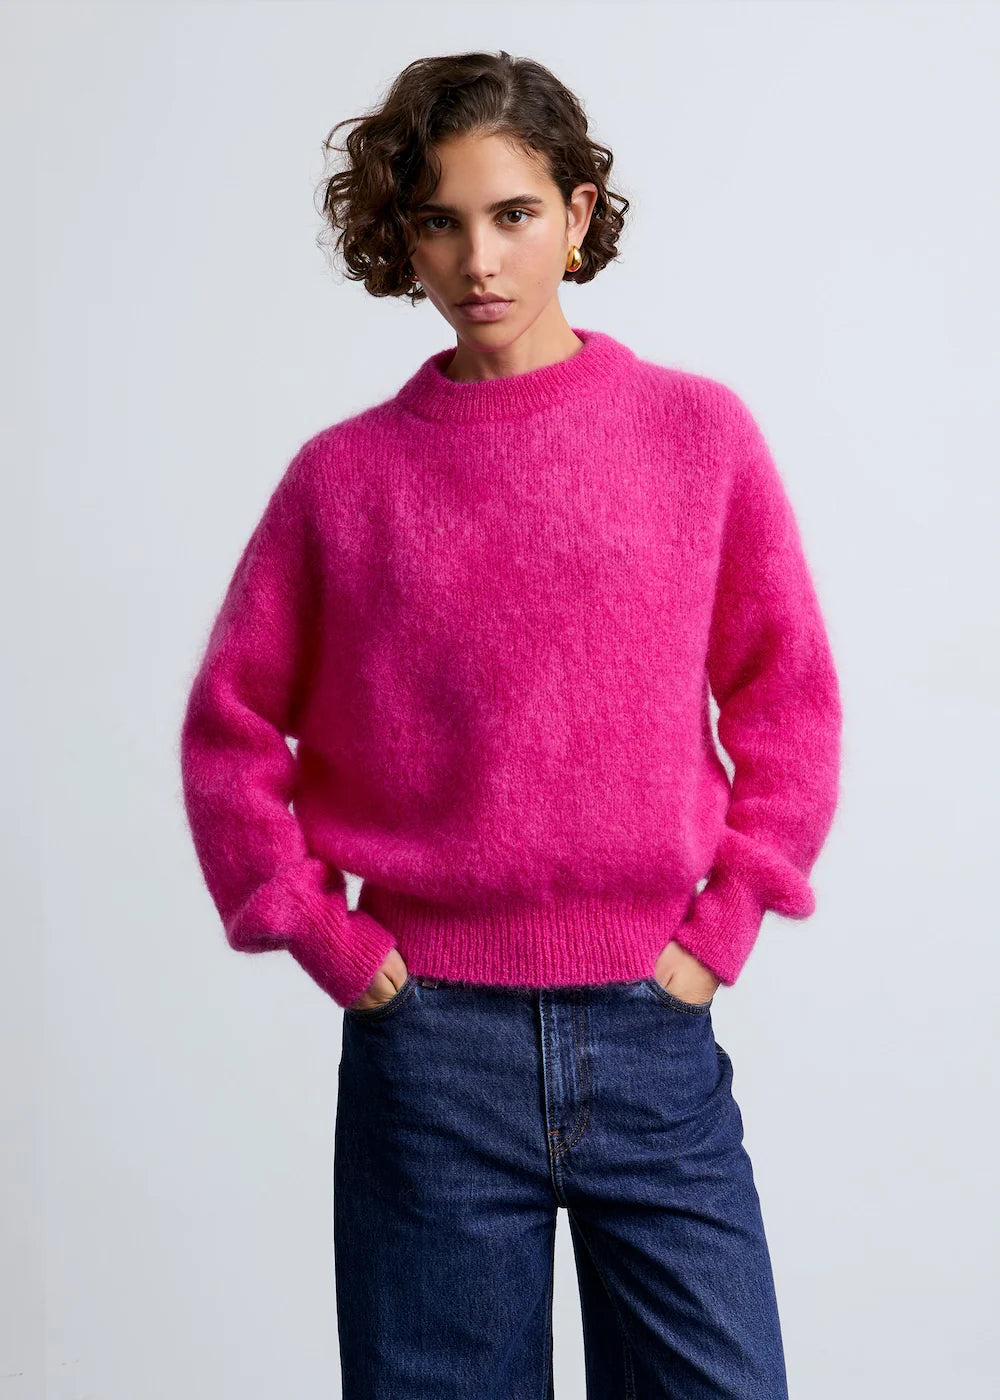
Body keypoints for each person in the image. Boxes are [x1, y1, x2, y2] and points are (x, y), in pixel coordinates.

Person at [179, 49, 841, 1400]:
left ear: (579, 214)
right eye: (440, 221)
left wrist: (725, 923)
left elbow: (788, 693)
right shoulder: (345, 480)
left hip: (651, 1031)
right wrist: (328, 939)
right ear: (402, 236)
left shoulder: (695, 436)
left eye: (514, 213)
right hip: (431, 1051)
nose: (477, 260)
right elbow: (230, 729)